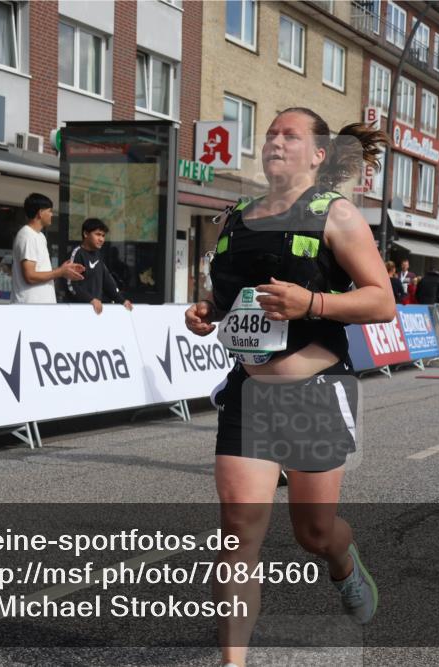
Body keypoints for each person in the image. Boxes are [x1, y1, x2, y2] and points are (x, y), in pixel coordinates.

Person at [184, 107, 392, 667]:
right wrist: (206, 314)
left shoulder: (336, 216)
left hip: (316, 390)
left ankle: (344, 560)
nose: (276, 140)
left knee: (313, 531)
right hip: (250, 392)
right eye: (271, 133)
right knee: (237, 530)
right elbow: (233, 303)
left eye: (290, 135)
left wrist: (314, 303)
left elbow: (382, 301)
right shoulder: (237, 217)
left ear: (318, 154)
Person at [11, 193, 84, 303]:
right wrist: (60, 272)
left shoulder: (40, 236)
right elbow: (30, 276)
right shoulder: (27, 236)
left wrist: (63, 270)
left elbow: (41, 273)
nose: (52, 214)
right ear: (40, 213)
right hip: (30, 307)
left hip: (42, 307)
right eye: (49, 211)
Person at [66, 218, 133, 313]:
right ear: (85, 234)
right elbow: (71, 285)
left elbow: (108, 283)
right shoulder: (76, 254)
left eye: (103, 235)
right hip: (77, 311)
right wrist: (90, 299)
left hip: (95, 311)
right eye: (97, 234)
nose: (101, 239)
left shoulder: (98, 255)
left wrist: (122, 301)